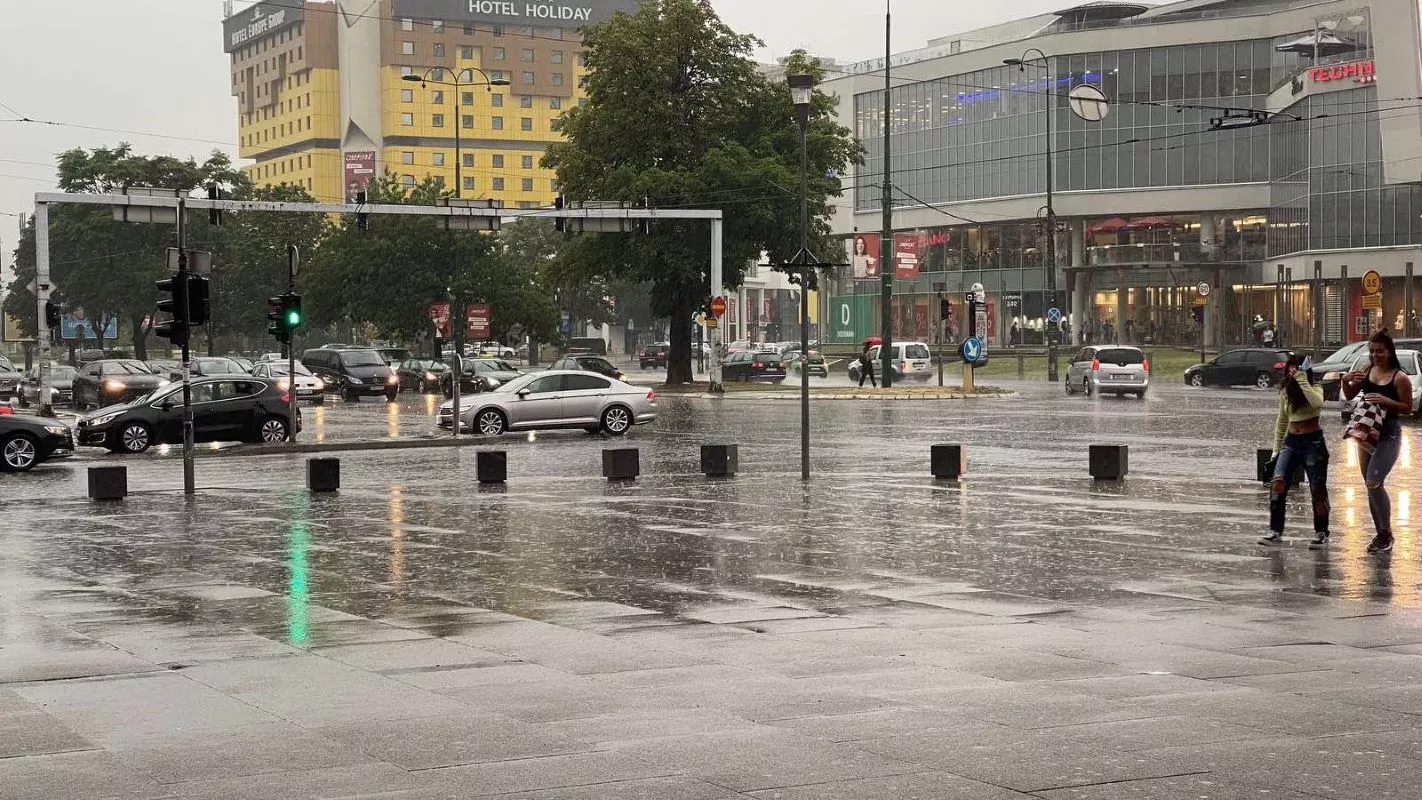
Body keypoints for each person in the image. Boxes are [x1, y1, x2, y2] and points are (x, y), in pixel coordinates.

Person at [1341, 330, 1413, 554]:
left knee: (1374, 481)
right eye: (1371, 351)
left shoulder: (1400, 377)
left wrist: (1385, 400)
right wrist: (1345, 381)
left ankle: (1386, 533)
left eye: (1379, 351)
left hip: (1389, 434)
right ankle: (1381, 534)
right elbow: (1350, 395)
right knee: (1370, 485)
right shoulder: (1366, 370)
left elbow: (1407, 408)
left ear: (1389, 351)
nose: (1375, 355)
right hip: (1367, 431)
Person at [1260, 354, 1330, 548]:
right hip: (1291, 442)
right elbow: (1282, 420)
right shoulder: (1285, 390)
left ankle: (1321, 532)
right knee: (1278, 483)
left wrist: (1302, 380)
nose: (1292, 371)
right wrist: (1276, 450)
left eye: (1296, 368)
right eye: (1290, 368)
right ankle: (1275, 531)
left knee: (1317, 489)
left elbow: (1317, 404)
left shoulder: (1315, 388)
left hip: (1313, 443)